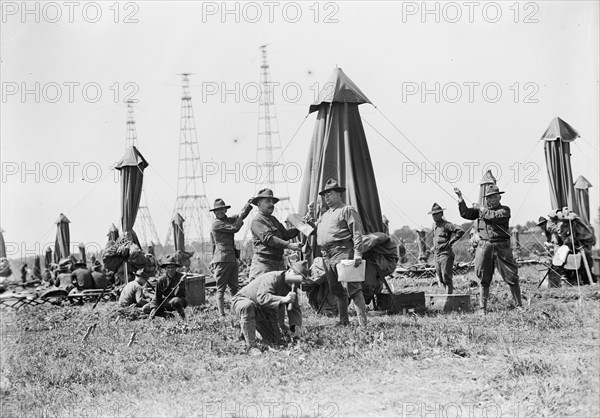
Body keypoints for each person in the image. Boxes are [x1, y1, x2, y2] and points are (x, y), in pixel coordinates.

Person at [306, 179, 367, 327]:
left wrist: (358, 252)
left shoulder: (347, 210)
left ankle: (363, 325)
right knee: (337, 290)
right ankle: (344, 320)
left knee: (353, 288)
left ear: (339, 194)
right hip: (327, 255)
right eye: (325, 194)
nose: (326, 196)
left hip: (343, 252)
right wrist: (309, 217)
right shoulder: (325, 215)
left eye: (330, 193)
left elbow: (357, 231)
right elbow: (317, 231)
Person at [455, 185, 522, 313]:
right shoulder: (482, 211)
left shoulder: (504, 210)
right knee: (483, 278)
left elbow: (493, 216)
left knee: (511, 276)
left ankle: (519, 306)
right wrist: (460, 198)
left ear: (499, 197)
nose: (491, 200)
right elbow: (466, 214)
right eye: (488, 198)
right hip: (484, 246)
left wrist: (480, 208)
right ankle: (482, 308)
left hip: (502, 246)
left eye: (494, 197)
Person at [232, 261, 307, 355]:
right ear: (289, 271)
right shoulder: (273, 278)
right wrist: (283, 299)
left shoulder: (292, 286)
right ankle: (251, 347)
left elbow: (294, 310)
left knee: (276, 342)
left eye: (299, 278)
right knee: (248, 306)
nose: (296, 279)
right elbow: (262, 297)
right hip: (242, 301)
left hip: (263, 310)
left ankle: (250, 329)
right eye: (295, 274)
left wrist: (296, 331)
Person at [210, 198, 253, 316]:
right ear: (214, 212)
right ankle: (221, 315)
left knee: (234, 287)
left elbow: (241, 215)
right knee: (221, 288)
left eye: (222, 209)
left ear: (225, 210)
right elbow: (235, 228)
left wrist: (248, 205)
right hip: (222, 259)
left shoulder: (227, 220)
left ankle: (237, 311)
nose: (220, 211)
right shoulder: (217, 223)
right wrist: (239, 218)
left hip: (231, 258)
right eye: (217, 210)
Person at [249, 188, 301, 280]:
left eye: (272, 202)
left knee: (279, 292)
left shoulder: (273, 220)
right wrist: (289, 245)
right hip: (264, 265)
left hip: (278, 263)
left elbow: (286, 234)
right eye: (268, 201)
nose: (271, 204)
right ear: (258, 204)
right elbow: (269, 239)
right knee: (262, 292)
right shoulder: (257, 221)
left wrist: (301, 226)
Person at [429, 203, 464, 294]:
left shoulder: (446, 225)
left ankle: (449, 299)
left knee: (446, 278)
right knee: (441, 278)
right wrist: (433, 247)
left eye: (436, 214)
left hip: (445, 254)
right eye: (433, 214)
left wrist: (450, 243)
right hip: (437, 255)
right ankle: (447, 296)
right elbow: (436, 239)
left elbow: (460, 231)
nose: (434, 216)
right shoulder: (435, 226)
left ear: (441, 214)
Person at [143, 255, 188, 319]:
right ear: (165, 269)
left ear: (176, 268)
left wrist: (181, 283)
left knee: (175, 301)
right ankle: (167, 315)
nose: (170, 269)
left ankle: (182, 317)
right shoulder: (161, 280)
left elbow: (179, 294)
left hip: (180, 300)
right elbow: (157, 297)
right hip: (166, 302)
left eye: (172, 267)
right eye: (168, 267)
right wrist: (154, 308)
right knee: (146, 308)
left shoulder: (181, 277)